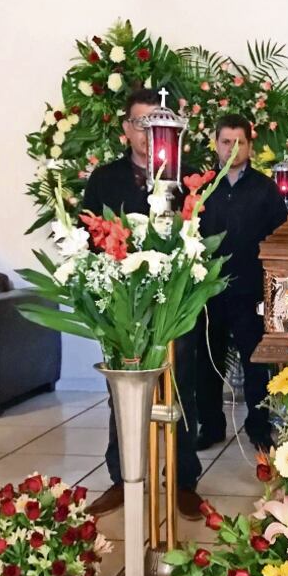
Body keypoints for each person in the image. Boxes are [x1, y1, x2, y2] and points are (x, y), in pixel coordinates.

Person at [83, 89, 206, 519]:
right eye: (141, 123)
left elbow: (199, 238)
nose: (149, 131)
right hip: (124, 303)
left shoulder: (184, 178)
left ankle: (184, 480)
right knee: (124, 390)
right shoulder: (106, 179)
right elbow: (91, 239)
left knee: (181, 388)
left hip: (173, 302)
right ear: (126, 130)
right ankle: (123, 478)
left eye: (158, 121)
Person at [195, 113, 287, 452]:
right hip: (209, 292)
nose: (233, 149)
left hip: (250, 292)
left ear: (250, 145)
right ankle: (211, 425)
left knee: (255, 364)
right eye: (226, 142)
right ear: (216, 144)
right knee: (208, 362)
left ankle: (258, 427)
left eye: (240, 142)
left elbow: (280, 237)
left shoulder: (265, 189)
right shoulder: (203, 187)